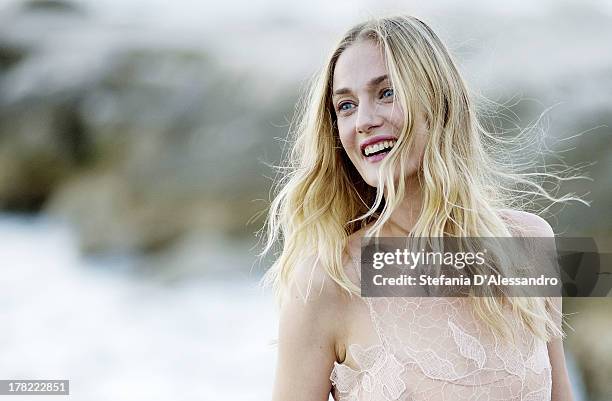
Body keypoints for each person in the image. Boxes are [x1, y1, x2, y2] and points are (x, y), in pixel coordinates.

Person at [259, 15, 574, 401]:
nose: (364, 121)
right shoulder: (327, 283)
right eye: (345, 105)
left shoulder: (528, 244)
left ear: (437, 102)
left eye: (386, 93)